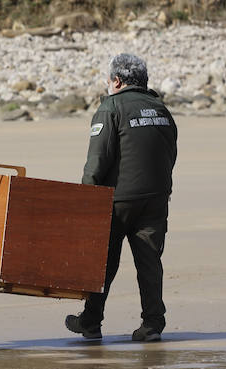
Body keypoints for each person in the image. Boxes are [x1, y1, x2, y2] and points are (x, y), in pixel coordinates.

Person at [66, 53, 178, 342]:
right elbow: (170, 153)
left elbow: (98, 160)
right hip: (155, 198)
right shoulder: (161, 109)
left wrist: (84, 198)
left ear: (116, 81)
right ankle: (152, 324)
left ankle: (91, 322)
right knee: (150, 262)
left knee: (104, 263)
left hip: (117, 201)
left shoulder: (110, 107)